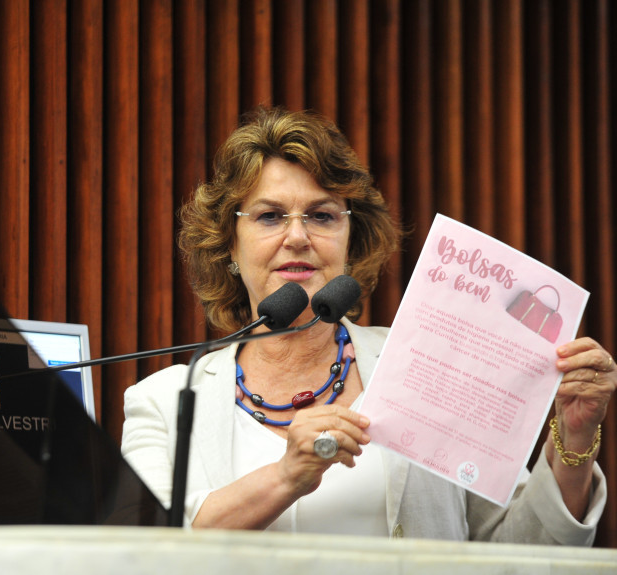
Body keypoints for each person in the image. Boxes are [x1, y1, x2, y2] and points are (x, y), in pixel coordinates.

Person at [121, 107, 613, 543]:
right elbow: (140, 555)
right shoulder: (161, 402)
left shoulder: (428, 363)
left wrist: (574, 440)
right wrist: (287, 476)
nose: (297, 236)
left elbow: (518, 551)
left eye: (322, 215)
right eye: (270, 216)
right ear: (230, 244)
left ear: (351, 240)